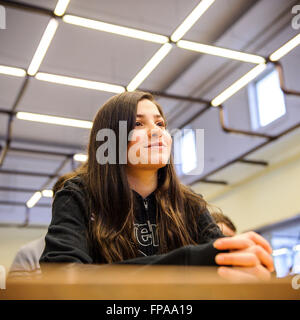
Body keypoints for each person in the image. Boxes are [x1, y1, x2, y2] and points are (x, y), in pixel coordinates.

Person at [40, 91, 274, 281]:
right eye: (138, 124)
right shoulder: (77, 195)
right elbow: (61, 277)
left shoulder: (190, 203)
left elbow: (221, 264)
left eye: (160, 124)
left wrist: (242, 264)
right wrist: (188, 262)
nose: (157, 132)